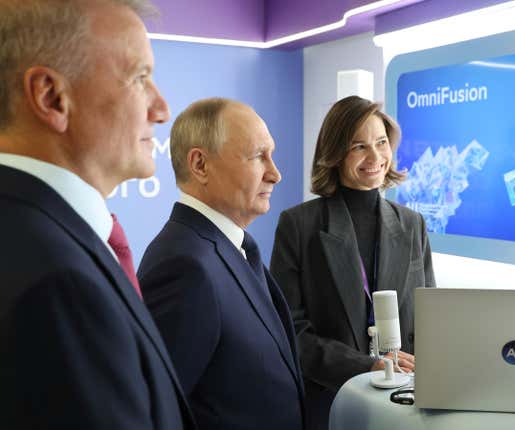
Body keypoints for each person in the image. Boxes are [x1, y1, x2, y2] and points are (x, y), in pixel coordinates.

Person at [0, 0, 196, 428]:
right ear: (52, 97)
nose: (161, 109)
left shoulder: (34, 238)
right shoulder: (55, 281)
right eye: (140, 77)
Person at [138, 98, 305, 430]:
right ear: (200, 164)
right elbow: (159, 413)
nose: (275, 173)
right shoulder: (184, 265)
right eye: (258, 156)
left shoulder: (231, 247)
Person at [270, 95, 436, 429]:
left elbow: (431, 319)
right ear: (334, 153)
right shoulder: (299, 225)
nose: (375, 157)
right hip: (332, 402)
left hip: (403, 403)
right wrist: (366, 365)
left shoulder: (412, 224)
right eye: (359, 146)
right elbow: (289, 332)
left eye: (381, 142)